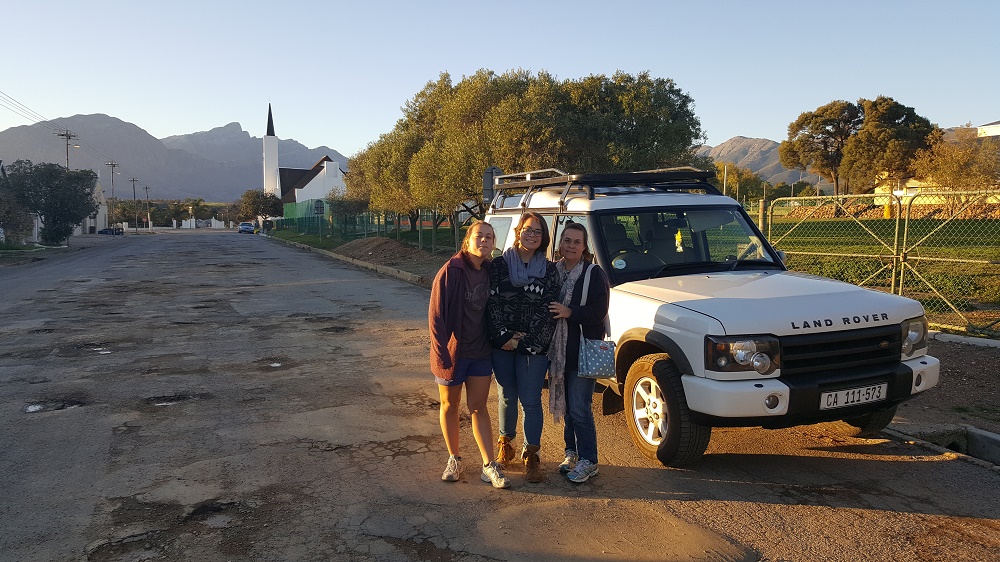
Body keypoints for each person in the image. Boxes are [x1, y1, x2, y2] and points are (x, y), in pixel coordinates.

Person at [428, 221, 510, 489]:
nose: (484, 241)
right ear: (467, 240)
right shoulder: (451, 271)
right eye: (479, 236)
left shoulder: (490, 270)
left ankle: (489, 465)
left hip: (480, 352)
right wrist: (441, 355)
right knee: (449, 405)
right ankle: (454, 459)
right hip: (453, 353)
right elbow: (436, 317)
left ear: (493, 243)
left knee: (478, 407)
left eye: (489, 237)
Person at [487, 212, 560, 483]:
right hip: (502, 343)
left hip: (535, 346)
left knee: (530, 400)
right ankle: (505, 444)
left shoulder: (550, 270)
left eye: (538, 231)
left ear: (544, 238)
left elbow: (549, 307)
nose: (532, 235)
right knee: (507, 395)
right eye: (528, 229)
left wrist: (526, 341)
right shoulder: (498, 265)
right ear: (518, 232)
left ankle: (531, 455)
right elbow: (492, 303)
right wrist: (504, 337)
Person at [546, 222, 610, 483]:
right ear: (560, 243)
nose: (571, 246)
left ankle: (589, 460)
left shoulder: (594, 274)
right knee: (568, 407)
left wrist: (570, 312)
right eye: (567, 240)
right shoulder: (553, 271)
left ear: (584, 248)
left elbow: (599, 312)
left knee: (580, 408)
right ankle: (571, 452)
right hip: (559, 352)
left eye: (577, 242)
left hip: (582, 351)